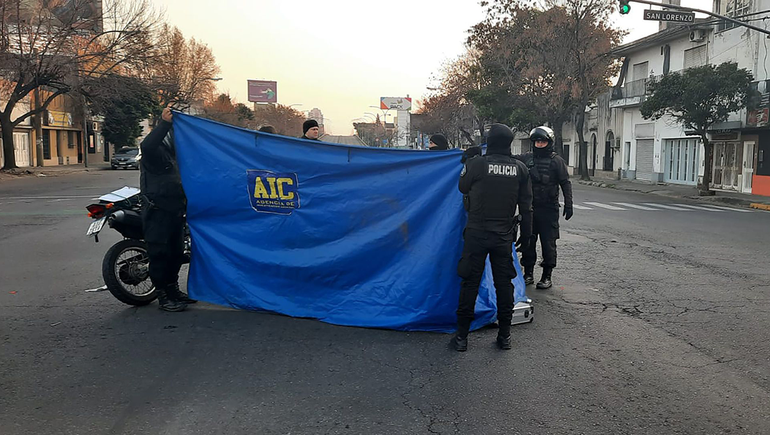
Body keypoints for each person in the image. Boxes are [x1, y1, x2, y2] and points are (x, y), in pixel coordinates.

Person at [450, 123, 533, 352]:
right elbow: (527, 208)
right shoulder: (520, 169)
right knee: (503, 285)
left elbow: (461, 186)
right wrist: (526, 238)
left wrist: (467, 161)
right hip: (503, 236)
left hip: (477, 233)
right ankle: (504, 336)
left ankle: (461, 338)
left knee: (469, 283)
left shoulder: (477, 165)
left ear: (489, 141)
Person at [139, 106, 196, 312]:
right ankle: (163, 295)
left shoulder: (175, 155)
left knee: (176, 253)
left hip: (175, 209)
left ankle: (173, 289)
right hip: (158, 210)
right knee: (160, 254)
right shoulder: (153, 152)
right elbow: (147, 145)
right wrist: (165, 123)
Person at [513, 126, 573, 290]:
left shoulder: (556, 161)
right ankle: (528, 274)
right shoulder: (526, 158)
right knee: (528, 242)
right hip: (530, 209)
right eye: (537, 141)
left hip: (549, 209)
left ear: (549, 142)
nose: (540, 144)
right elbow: (508, 158)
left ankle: (547, 276)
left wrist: (569, 204)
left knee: (548, 243)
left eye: (543, 141)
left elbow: (565, 183)